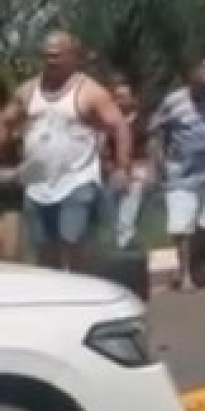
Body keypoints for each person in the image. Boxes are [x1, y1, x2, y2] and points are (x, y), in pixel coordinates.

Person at [0, 31, 131, 271]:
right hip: (37, 184)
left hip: (77, 181)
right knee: (43, 249)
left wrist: (122, 167)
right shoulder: (28, 91)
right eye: (47, 56)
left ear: (73, 56)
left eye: (57, 56)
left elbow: (118, 126)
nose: (51, 61)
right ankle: (55, 297)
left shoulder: (90, 91)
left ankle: (81, 290)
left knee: (72, 242)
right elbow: (6, 121)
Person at [149, 62, 205, 292]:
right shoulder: (175, 102)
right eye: (204, 88)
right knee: (182, 226)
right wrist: (158, 159)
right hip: (179, 170)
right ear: (193, 84)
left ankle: (196, 264)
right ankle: (185, 275)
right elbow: (156, 129)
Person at [103, 75, 153, 250]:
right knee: (111, 208)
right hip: (114, 169)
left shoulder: (141, 121)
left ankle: (124, 241)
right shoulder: (108, 121)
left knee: (130, 206)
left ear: (132, 99)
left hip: (137, 169)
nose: (119, 100)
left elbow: (149, 147)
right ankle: (116, 240)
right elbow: (104, 146)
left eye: (123, 96)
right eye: (116, 96)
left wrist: (147, 169)